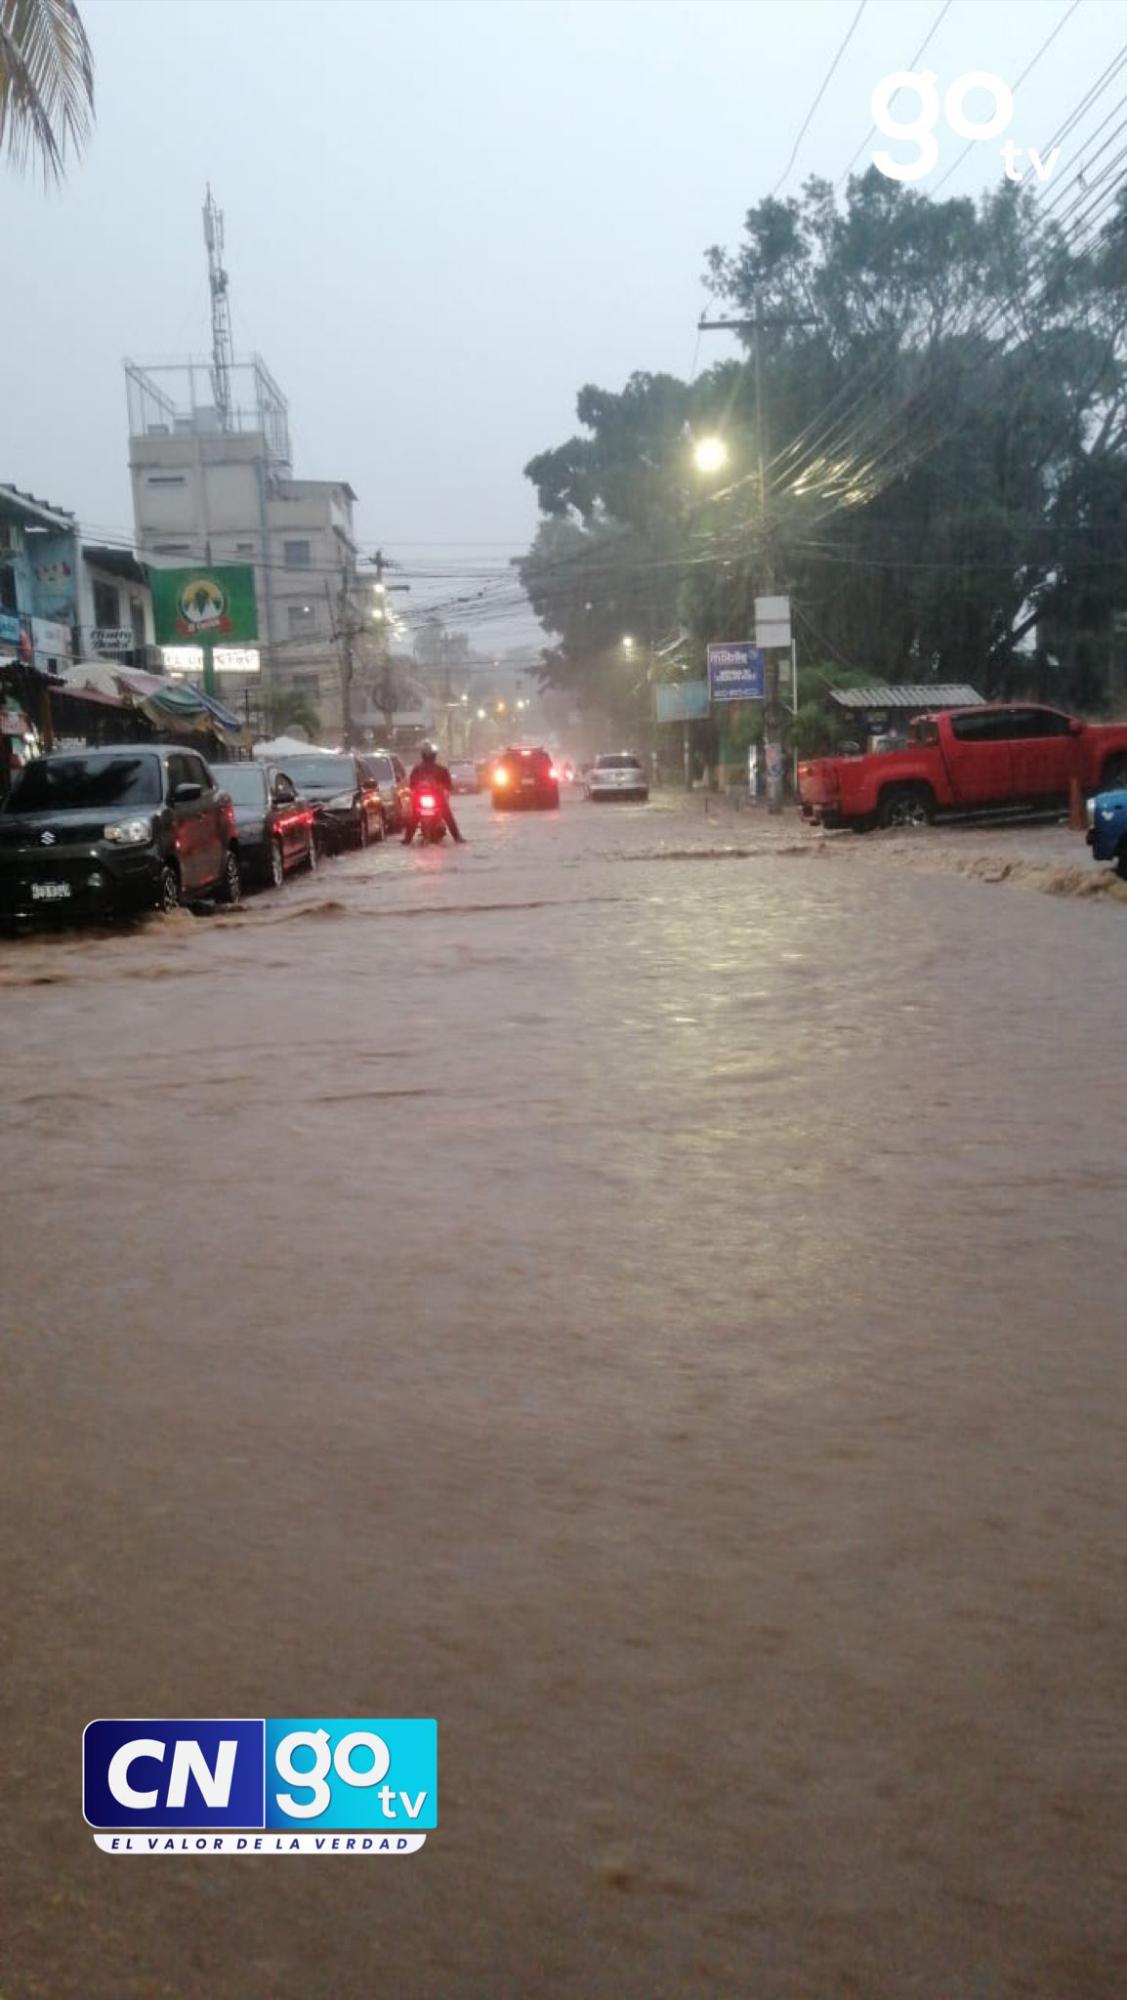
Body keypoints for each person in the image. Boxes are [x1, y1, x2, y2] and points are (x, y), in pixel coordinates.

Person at [402, 742, 465, 844]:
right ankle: (407, 839)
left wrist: (443, 788)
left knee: (446, 814)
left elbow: (448, 785)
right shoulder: (418, 769)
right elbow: (412, 785)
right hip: (421, 799)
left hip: (437, 799)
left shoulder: (439, 769)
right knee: (414, 816)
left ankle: (457, 837)